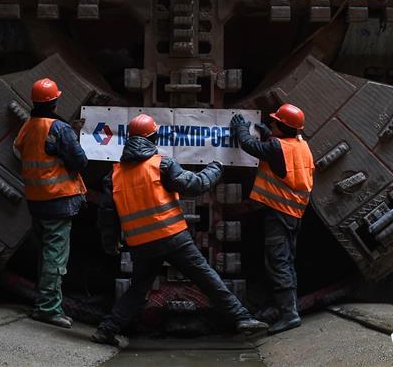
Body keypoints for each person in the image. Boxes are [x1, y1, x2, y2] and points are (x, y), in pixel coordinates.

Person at [91, 114, 267, 346]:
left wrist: (109, 242)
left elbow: (107, 215)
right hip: (172, 237)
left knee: (137, 290)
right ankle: (243, 318)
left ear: (128, 139)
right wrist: (216, 168)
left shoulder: (113, 176)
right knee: (207, 278)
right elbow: (195, 185)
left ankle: (107, 329)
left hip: (141, 244)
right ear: (153, 137)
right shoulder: (161, 164)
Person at [230, 103, 314, 334]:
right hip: (294, 213)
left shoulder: (277, 147)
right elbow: (283, 158)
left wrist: (241, 130)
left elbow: (251, 146)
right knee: (287, 261)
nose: (270, 123)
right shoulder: (301, 145)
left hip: (279, 212)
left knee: (277, 262)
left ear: (282, 126)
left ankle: (289, 315)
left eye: (274, 122)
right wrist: (269, 136)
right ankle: (291, 309)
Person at [14, 77, 88, 329]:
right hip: (59, 200)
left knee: (46, 255)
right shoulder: (59, 129)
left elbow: (20, 150)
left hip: (37, 201)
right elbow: (80, 161)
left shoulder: (28, 126)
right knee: (56, 258)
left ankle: (43, 303)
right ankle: (48, 309)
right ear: (56, 101)